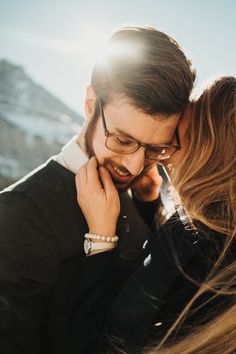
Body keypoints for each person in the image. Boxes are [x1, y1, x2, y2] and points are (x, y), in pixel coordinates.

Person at [0, 26, 195, 353]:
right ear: (91, 104)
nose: (134, 166)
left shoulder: (140, 189)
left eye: (154, 149)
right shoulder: (17, 213)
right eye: (121, 140)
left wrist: (148, 207)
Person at [65, 76, 236, 353]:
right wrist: (150, 205)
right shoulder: (219, 226)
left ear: (209, 151)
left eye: (174, 143)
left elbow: (99, 343)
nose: (161, 158)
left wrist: (100, 237)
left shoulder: (196, 242)